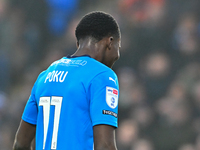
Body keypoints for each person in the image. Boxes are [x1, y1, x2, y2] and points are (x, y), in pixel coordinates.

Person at [13, 11, 121, 150]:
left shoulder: (44, 77)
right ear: (110, 42)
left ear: (78, 43)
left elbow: (20, 144)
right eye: (118, 47)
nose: (117, 55)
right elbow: (105, 146)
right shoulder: (102, 75)